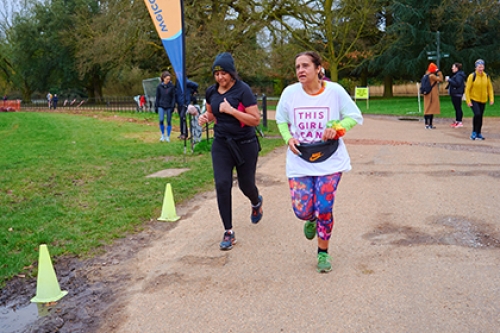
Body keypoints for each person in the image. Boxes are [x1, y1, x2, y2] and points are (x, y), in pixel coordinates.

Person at [275, 51, 363, 273]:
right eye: (297, 67)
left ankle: (323, 252)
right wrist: (288, 138)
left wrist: (337, 129)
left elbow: (354, 116)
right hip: (300, 158)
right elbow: (281, 120)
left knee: (324, 207)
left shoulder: (334, 92)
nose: (300, 71)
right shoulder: (290, 93)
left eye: (305, 66)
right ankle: (310, 218)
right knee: (302, 210)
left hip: (329, 159)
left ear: (318, 69)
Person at [198, 52, 263, 251]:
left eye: (223, 74)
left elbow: (255, 119)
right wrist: (204, 118)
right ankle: (228, 231)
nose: (220, 78)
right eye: (216, 74)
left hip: (245, 144)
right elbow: (211, 112)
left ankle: (256, 201)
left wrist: (232, 111)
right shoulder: (211, 92)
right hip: (222, 144)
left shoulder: (243, 91)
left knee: (246, 185)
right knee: (222, 184)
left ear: (232, 73)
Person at [465, 59, 494, 140]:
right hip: (474, 99)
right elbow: (467, 89)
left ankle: (479, 133)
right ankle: (474, 132)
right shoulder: (472, 76)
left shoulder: (486, 76)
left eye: (482, 67)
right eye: (479, 67)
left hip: (483, 99)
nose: (480, 68)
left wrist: (491, 98)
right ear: (476, 67)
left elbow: (490, 88)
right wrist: (468, 101)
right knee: (477, 114)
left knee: (480, 116)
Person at [155, 71, 176, 142]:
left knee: (168, 121)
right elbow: (157, 97)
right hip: (161, 105)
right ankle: (162, 135)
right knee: (161, 120)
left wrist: (173, 105)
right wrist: (156, 105)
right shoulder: (159, 87)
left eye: (169, 79)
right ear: (163, 78)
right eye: (167, 79)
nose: (168, 80)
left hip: (169, 105)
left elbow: (173, 97)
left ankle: (168, 136)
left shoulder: (172, 87)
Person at [423, 62, 443, 129]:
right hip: (432, 95)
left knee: (427, 109)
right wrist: (439, 72)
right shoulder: (432, 76)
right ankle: (430, 124)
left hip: (427, 94)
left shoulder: (426, 75)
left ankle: (426, 124)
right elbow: (441, 79)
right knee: (431, 109)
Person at [446, 63, 466, 128]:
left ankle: (459, 121)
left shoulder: (459, 75)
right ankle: (457, 121)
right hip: (454, 93)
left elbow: (457, 84)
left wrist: (449, 80)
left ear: (457, 68)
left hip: (457, 94)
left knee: (458, 108)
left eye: (453, 67)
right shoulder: (456, 75)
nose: (452, 68)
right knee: (457, 108)